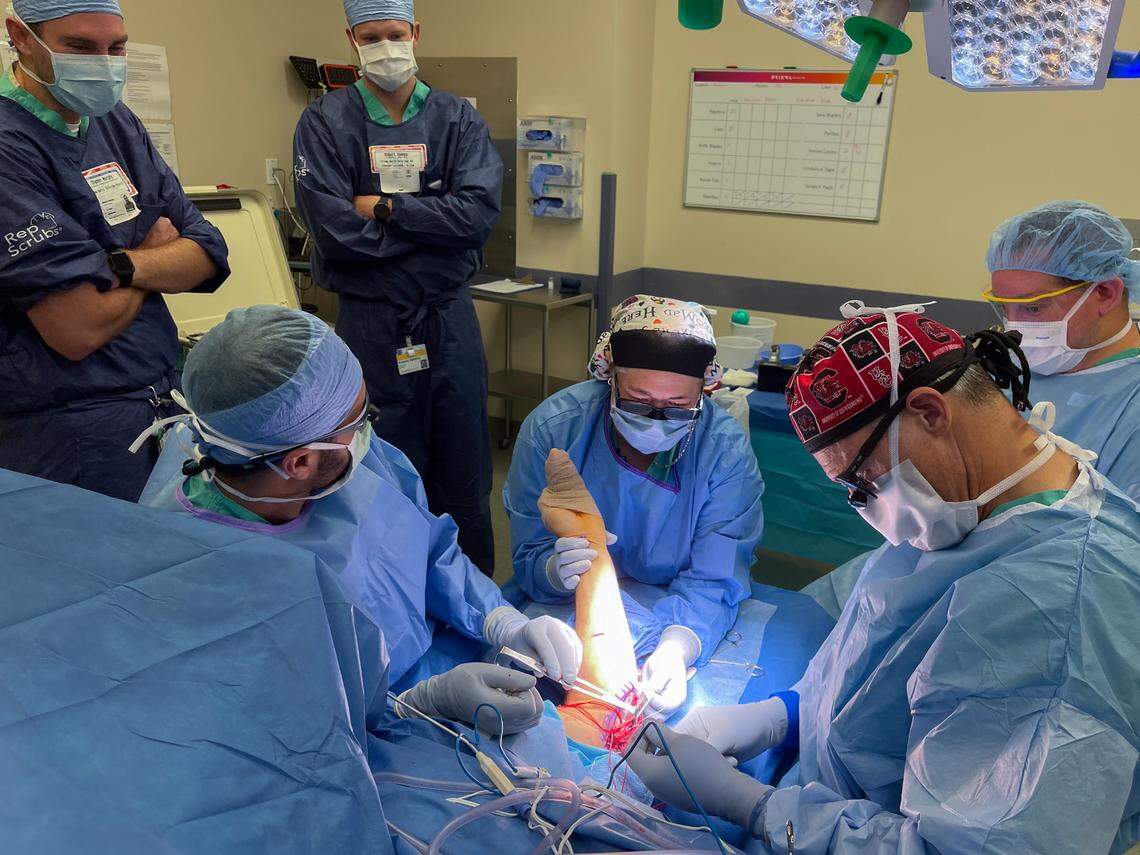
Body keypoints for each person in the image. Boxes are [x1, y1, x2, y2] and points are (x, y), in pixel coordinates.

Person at [627, 304, 1140, 853]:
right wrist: (785, 715)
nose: (866, 506)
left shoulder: (1057, 611)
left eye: (862, 480)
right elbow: (891, 675)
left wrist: (753, 806)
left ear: (929, 412)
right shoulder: (974, 512)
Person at [138, 306, 578, 732]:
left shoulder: (349, 464)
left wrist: (498, 620)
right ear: (300, 462)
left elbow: (427, 551)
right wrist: (414, 707)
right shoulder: (191, 575)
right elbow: (266, 730)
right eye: (360, 419)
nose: (368, 431)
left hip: (442, 660)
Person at [293, 0, 502, 576]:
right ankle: (395, 608)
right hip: (372, 323)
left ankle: (475, 608)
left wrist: (384, 209)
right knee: (380, 470)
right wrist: (433, 227)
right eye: (371, 36)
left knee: (463, 474)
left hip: (447, 319)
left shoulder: (457, 119)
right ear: (351, 41)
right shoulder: (325, 123)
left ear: (415, 33)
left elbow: (477, 217)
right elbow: (334, 234)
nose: (385, 46)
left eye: (394, 33)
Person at [0, 0, 229, 502]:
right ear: (19, 36)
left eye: (116, 47)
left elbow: (208, 247)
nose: (103, 64)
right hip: (71, 433)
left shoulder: (114, 122)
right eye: (80, 47)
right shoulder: (8, 146)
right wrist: (153, 255)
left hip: (161, 401)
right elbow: (76, 326)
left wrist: (121, 266)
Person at [505, 295, 765, 716]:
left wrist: (678, 644)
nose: (656, 418)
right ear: (608, 379)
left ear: (706, 389)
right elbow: (530, 547)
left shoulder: (723, 450)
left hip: (680, 599)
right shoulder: (555, 429)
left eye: (678, 407)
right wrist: (552, 571)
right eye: (638, 401)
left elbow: (717, 573)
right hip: (567, 604)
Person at [985, 200, 1139, 499]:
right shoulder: (1001, 375)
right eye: (1005, 308)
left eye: (1033, 308)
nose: (1014, 330)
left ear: (1105, 293)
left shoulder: (1129, 404)